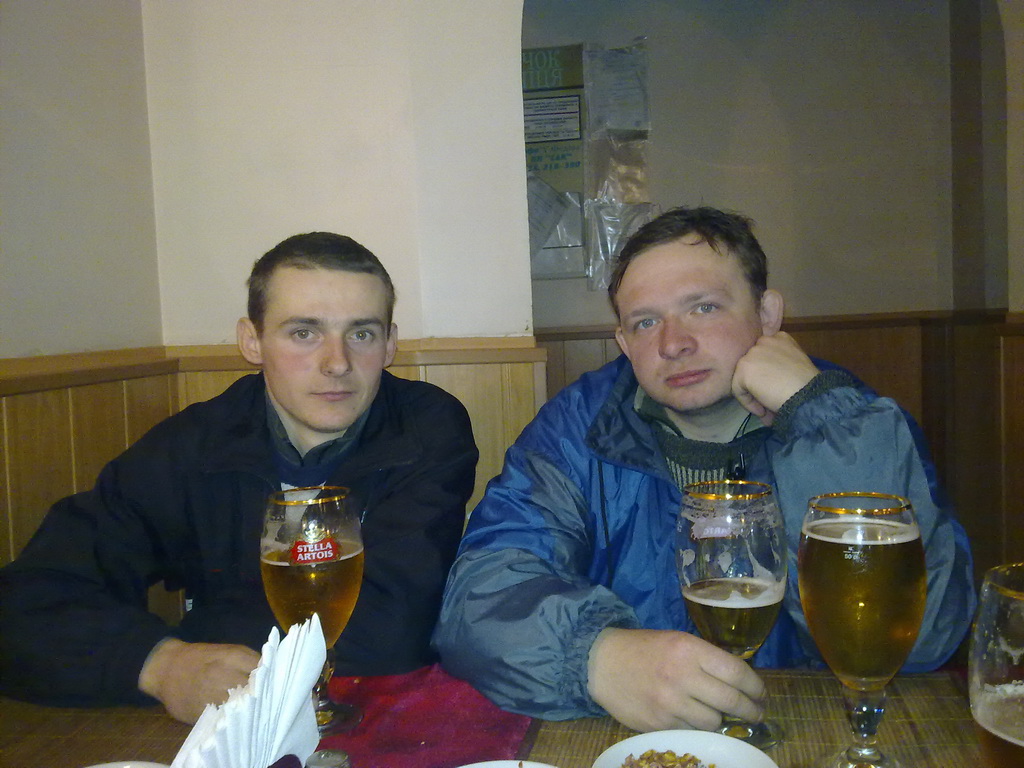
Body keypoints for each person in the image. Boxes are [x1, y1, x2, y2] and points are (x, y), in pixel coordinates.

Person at [433, 206, 975, 733]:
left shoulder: (851, 424)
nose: (673, 343)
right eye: (646, 322)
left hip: (814, 726)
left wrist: (818, 419)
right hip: (626, 734)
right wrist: (594, 656)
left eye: (704, 307)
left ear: (767, 315)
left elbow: (920, 640)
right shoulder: (576, 429)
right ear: (624, 344)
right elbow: (479, 595)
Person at [0, 232, 478, 724]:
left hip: (385, 716)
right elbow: (28, 599)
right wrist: (161, 664)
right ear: (252, 341)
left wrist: (202, 629)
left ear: (390, 344)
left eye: (362, 334)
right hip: (230, 729)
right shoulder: (192, 445)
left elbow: (391, 629)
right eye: (303, 333)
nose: (337, 363)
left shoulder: (426, 428)